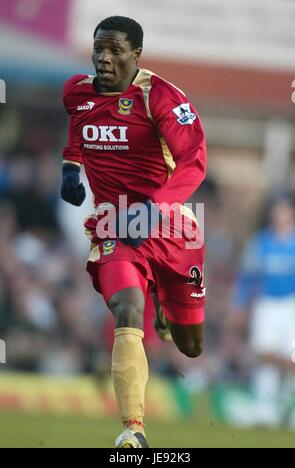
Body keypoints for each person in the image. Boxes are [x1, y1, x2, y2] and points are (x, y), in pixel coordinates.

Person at [61, 16, 206, 448]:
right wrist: (71, 167)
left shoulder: (160, 97)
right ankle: (134, 430)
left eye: (115, 51)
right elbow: (77, 127)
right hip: (115, 225)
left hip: (172, 229)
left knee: (191, 346)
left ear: (136, 55)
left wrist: (153, 208)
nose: (104, 59)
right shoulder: (76, 93)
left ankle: (166, 302)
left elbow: (194, 162)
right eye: (98, 49)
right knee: (125, 309)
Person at [233, 194, 295, 427]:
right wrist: (240, 305)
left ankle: (290, 406)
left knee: (294, 357)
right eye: (277, 210)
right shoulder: (260, 243)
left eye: (284, 210)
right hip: (266, 305)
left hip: (293, 305)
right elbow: (247, 277)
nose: (279, 215)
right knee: (264, 354)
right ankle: (265, 406)